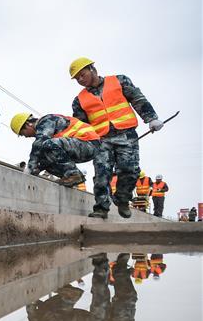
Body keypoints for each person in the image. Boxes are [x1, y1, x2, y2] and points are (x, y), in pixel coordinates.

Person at [69, 58, 163, 219]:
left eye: (82, 75)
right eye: (77, 79)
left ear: (92, 69)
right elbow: (81, 125)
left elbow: (138, 99)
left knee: (130, 170)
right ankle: (101, 208)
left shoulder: (119, 81)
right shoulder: (79, 100)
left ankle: (123, 198)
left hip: (126, 135)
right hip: (101, 140)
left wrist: (151, 118)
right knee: (101, 174)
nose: (80, 80)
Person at [10, 113, 101, 187]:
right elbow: (43, 156)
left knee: (47, 144)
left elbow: (40, 142)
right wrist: (36, 169)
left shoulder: (46, 120)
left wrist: (29, 168)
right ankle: (70, 179)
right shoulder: (45, 129)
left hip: (89, 143)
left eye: (22, 133)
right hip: (80, 147)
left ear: (28, 124)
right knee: (44, 160)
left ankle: (73, 174)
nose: (25, 136)